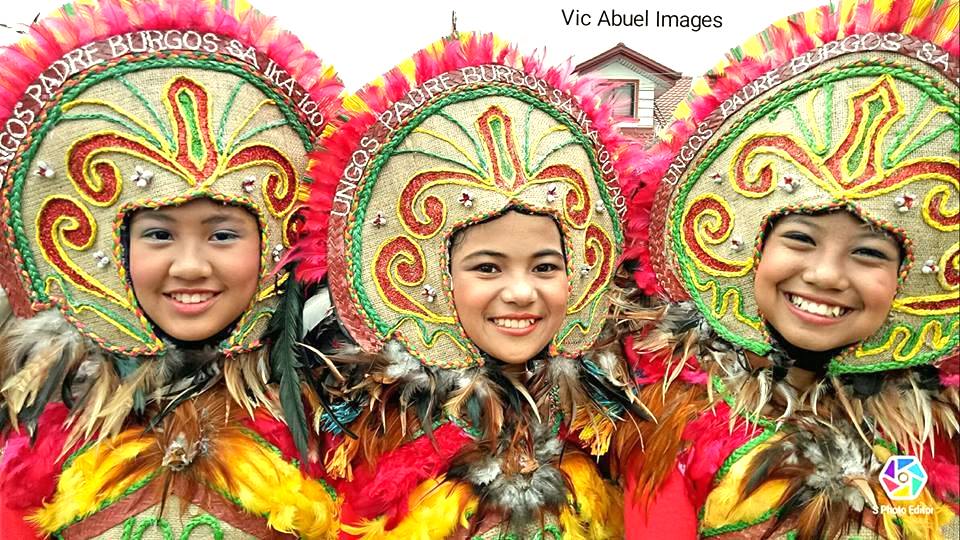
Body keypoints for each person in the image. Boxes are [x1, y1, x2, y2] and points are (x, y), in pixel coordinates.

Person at [0, 0, 343, 537]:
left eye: (222, 234)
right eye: (159, 234)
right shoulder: (42, 426)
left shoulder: (339, 415)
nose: (189, 265)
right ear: (106, 246)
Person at [618, 0, 959, 538]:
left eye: (869, 252)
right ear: (752, 251)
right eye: (800, 239)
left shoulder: (932, 437)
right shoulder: (668, 432)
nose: (826, 275)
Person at [288, 32, 649, 538]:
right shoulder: (372, 434)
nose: (522, 292)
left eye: (545, 267)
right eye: (488, 268)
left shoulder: (604, 424)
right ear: (432, 277)